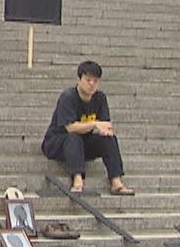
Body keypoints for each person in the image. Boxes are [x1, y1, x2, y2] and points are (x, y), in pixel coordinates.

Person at [41, 61, 135, 196]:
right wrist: (94, 124)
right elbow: (70, 127)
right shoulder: (68, 97)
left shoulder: (100, 98)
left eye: (95, 81)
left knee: (109, 139)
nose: (92, 84)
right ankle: (78, 180)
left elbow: (105, 124)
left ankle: (116, 182)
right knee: (74, 137)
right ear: (79, 80)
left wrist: (106, 130)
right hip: (57, 143)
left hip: (82, 144)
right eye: (88, 80)